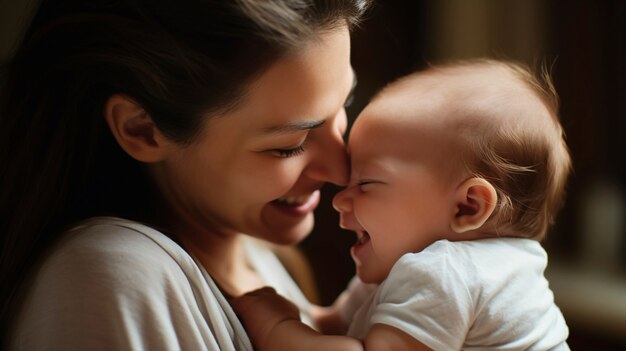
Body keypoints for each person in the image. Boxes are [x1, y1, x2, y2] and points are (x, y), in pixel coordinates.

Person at [0, 0, 372, 349]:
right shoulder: (113, 276)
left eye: (344, 106)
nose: (342, 170)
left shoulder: (258, 259)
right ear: (141, 130)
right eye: (289, 144)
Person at [231, 59, 572, 350]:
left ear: (467, 207)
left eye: (366, 183)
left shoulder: (445, 272)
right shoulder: (401, 267)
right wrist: (293, 314)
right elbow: (333, 329)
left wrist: (275, 329)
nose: (338, 199)